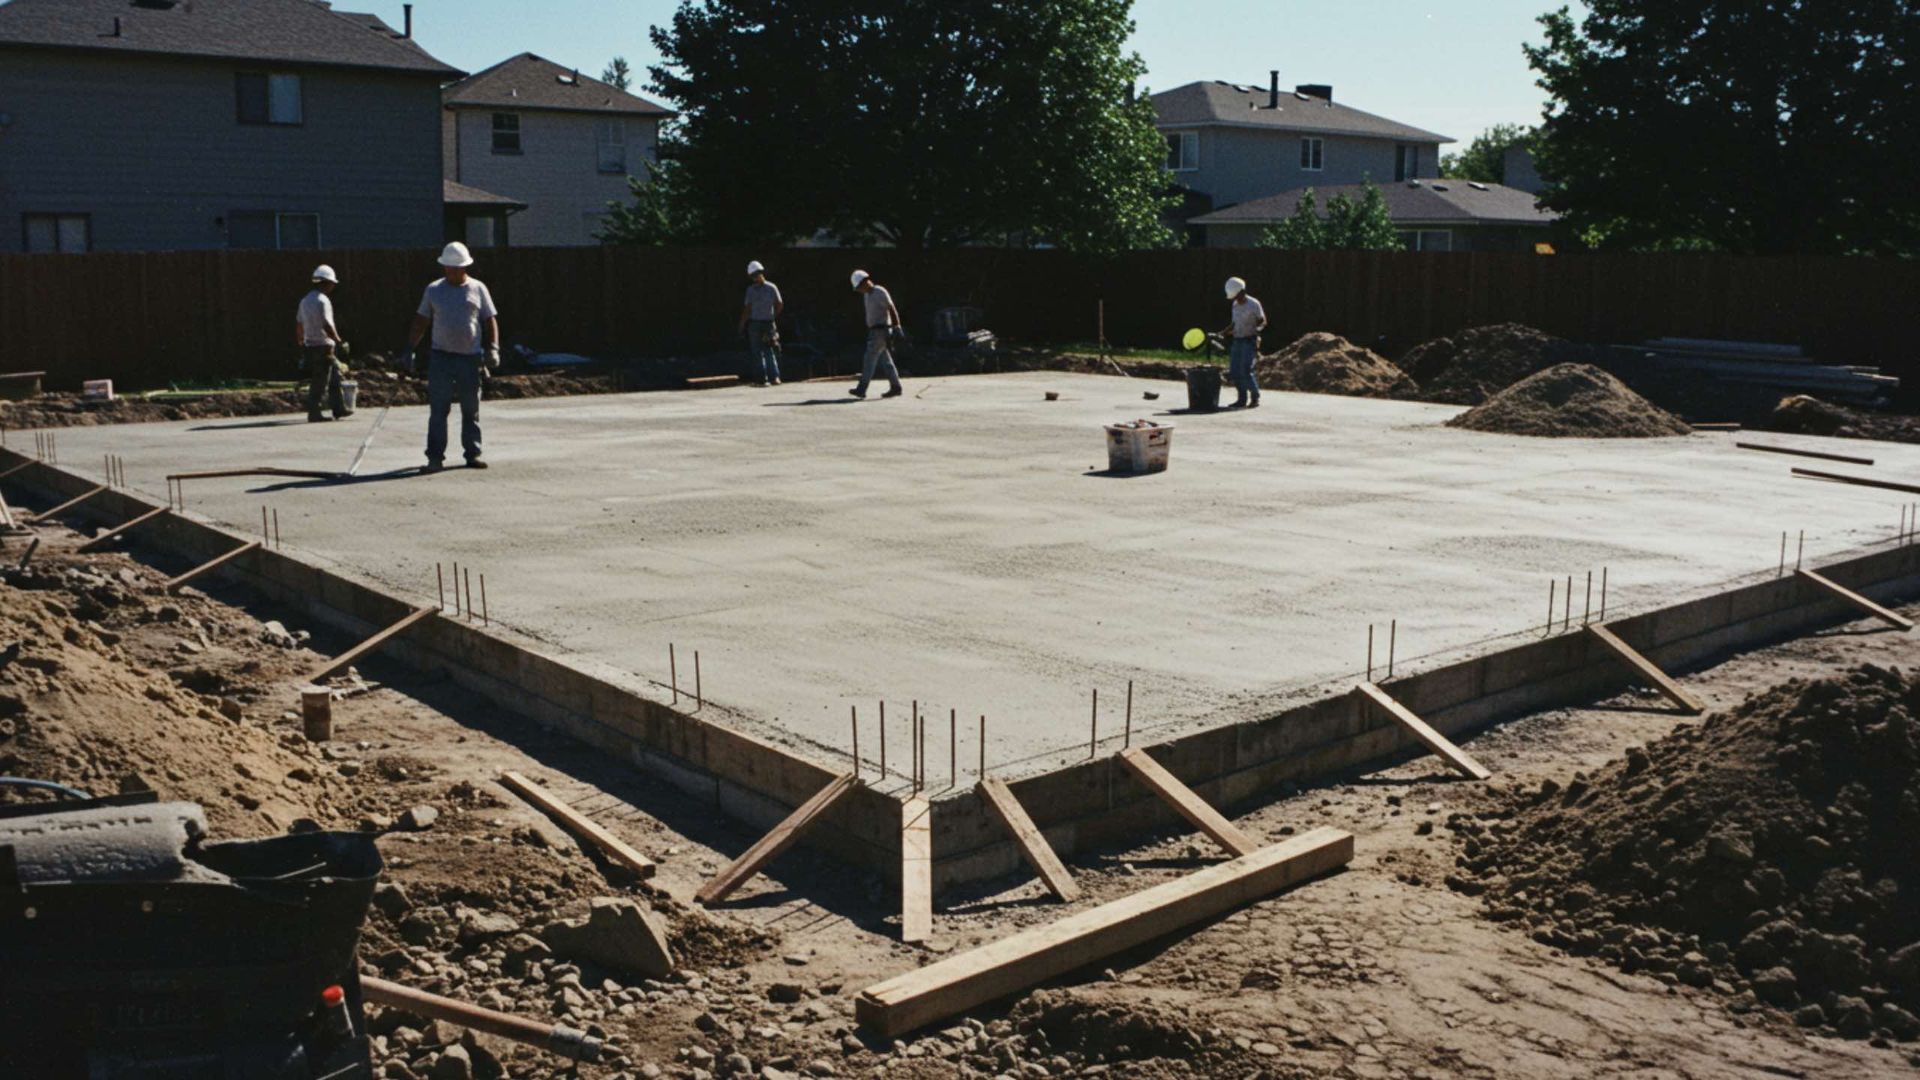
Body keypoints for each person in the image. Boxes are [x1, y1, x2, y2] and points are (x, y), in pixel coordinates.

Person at [406, 242, 500, 471]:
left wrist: (493, 347)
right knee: (439, 409)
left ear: (465, 267)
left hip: (470, 358)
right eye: (449, 268)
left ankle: (472, 453)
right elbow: (421, 321)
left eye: (457, 268)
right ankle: (435, 458)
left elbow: (489, 319)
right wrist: (410, 349)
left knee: (470, 409)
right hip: (442, 358)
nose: (452, 272)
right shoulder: (434, 290)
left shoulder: (478, 288)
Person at [297, 265, 351, 422]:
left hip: (310, 346)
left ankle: (339, 408)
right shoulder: (323, 300)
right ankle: (314, 413)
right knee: (320, 381)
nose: (333, 286)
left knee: (334, 377)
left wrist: (301, 341)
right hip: (324, 347)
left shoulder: (305, 301)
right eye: (331, 283)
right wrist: (339, 341)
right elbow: (326, 324)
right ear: (325, 283)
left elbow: (299, 323)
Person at [849, 269, 903, 399]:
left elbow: (891, 308)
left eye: (859, 287)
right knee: (886, 361)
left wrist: (897, 326)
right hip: (875, 331)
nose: (859, 290)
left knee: (869, 358)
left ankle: (862, 388)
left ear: (865, 282)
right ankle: (896, 387)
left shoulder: (879, 292)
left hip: (881, 330)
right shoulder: (867, 295)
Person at [1220, 276, 1266, 409]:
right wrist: (1224, 332)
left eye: (1237, 296)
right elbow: (1234, 323)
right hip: (1237, 340)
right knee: (1235, 371)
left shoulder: (1254, 304)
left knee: (1246, 370)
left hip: (1249, 340)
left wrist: (1258, 329)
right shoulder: (1235, 305)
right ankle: (1241, 398)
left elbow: (1262, 321)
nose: (1236, 299)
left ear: (1242, 291)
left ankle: (1255, 396)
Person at [738, 260, 784, 386]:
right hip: (763, 322)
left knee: (762, 351)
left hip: (760, 323)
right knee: (765, 350)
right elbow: (779, 304)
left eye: (755, 275)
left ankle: (767, 379)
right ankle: (770, 378)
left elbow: (748, 309)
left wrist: (742, 324)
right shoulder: (769, 287)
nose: (755, 278)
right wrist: (772, 316)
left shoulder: (756, 289)